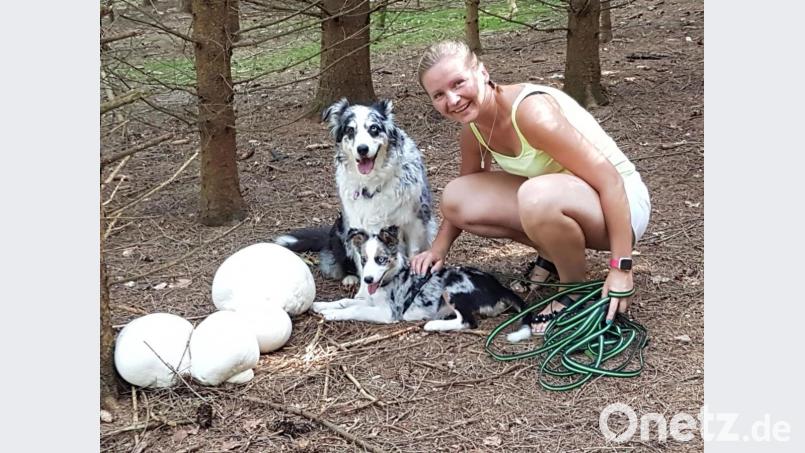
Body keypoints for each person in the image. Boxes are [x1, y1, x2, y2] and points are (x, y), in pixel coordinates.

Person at [411, 40, 651, 333]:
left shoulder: (531, 113)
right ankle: (555, 254)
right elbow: (466, 192)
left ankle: (572, 293)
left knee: (535, 196)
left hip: (622, 205)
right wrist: (438, 249)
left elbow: (610, 180)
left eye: (458, 83)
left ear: (482, 73)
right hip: (563, 201)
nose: (452, 99)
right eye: (438, 94)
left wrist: (621, 267)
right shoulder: (473, 131)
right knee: (457, 197)